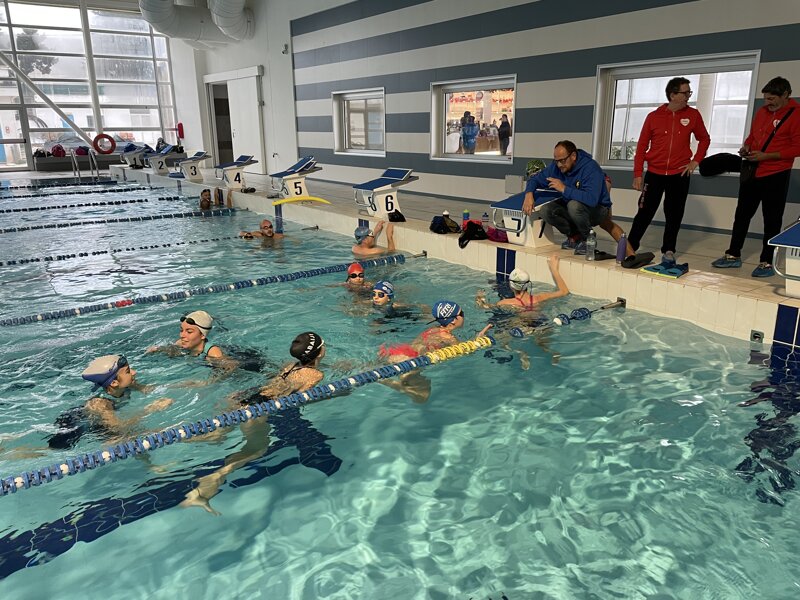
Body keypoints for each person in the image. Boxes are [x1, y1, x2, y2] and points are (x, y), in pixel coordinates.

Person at [180, 332, 326, 514]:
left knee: (216, 434)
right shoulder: (316, 375)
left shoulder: (290, 366)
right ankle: (214, 478)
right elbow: (301, 399)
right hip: (258, 410)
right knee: (257, 449)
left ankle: (163, 437)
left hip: (247, 397)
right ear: (320, 352)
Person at [712, 76, 800, 277]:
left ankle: (766, 262)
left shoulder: (796, 114)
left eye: (772, 99)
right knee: (742, 215)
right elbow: (753, 136)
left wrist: (767, 156)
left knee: (772, 219)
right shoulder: (762, 111)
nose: (768, 103)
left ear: (786, 94)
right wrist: (746, 147)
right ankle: (733, 255)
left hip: (776, 174)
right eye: (766, 98)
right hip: (753, 171)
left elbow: (797, 148)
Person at [629, 77, 711, 266]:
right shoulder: (653, 117)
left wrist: (695, 161)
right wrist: (638, 174)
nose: (688, 96)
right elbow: (641, 146)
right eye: (685, 92)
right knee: (644, 211)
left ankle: (668, 250)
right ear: (673, 95)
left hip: (679, 174)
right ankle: (630, 246)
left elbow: (704, 139)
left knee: (674, 214)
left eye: (689, 92)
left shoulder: (693, 115)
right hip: (654, 174)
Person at [48, 355, 173, 449]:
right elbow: (118, 426)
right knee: (55, 449)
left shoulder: (127, 385)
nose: (134, 372)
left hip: (101, 422)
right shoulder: (101, 404)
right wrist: (150, 409)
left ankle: (149, 465)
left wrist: (181, 385)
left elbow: (149, 389)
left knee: (134, 436)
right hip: (77, 424)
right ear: (114, 383)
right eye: (128, 371)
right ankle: (35, 452)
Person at [378, 301, 493, 403]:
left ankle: (382, 377)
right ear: (453, 320)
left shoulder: (434, 328)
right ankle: (389, 383)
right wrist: (478, 339)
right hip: (410, 361)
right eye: (461, 314)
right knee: (422, 396)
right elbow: (467, 351)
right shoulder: (449, 338)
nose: (463, 316)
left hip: (399, 352)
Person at [522, 140, 611, 255]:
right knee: (546, 210)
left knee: (573, 205)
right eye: (556, 161)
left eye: (562, 161)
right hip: (573, 206)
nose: (559, 165)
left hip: (598, 209)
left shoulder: (590, 168)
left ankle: (588, 239)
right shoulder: (555, 168)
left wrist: (564, 189)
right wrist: (528, 194)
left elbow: (592, 199)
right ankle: (575, 236)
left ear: (573, 156)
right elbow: (535, 179)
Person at [476, 254, 569, 311]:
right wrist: (554, 269)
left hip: (522, 327)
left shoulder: (506, 303)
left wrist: (479, 297)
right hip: (541, 323)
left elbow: (484, 307)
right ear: (527, 284)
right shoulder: (540, 298)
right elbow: (564, 291)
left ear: (511, 285)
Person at [148, 310, 225, 361]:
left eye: (189, 332)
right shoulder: (181, 343)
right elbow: (169, 350)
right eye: (181, 330)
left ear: (202, 335)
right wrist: (157, 350)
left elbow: (227, 370)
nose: (182, 335)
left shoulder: (213, 352)